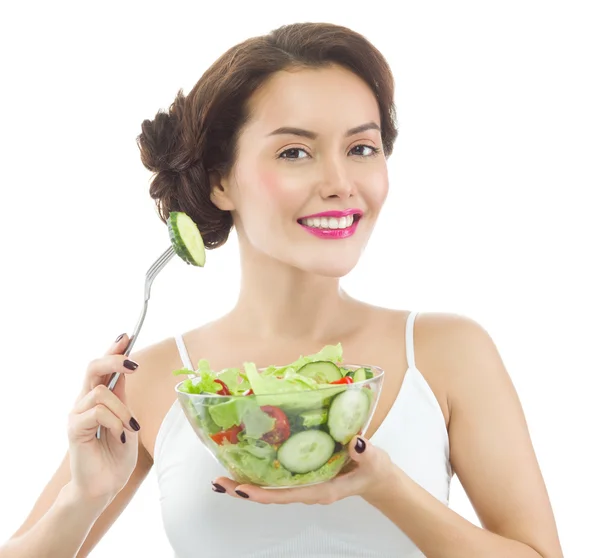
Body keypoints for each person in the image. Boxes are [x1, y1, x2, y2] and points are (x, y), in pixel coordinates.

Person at [0, 21, 563, 558]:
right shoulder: (153, 381)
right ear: (221, 180)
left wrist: (386, 486)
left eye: (361, 148)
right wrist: (84, 497)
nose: (340, 184)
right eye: (295, 152)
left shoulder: (448, 353)